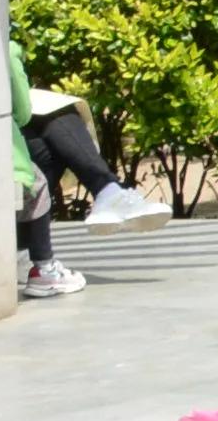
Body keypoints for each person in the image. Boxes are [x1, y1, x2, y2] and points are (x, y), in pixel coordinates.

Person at [11, 47, 161, 299]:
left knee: (47, 140)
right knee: (54, 120)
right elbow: (23, 109)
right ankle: (106, 192)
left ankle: (107, 191)